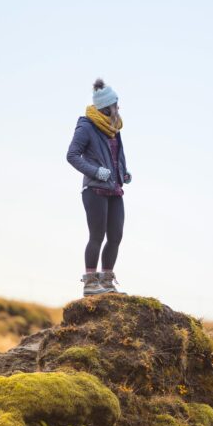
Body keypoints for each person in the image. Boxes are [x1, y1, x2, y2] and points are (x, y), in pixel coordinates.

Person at [66, 78, 132, 296]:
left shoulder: (114, 128)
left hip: (114, 189)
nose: (118, 108)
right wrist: (95, 171)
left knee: (116, 236)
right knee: (97, 235)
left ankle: (106, 281)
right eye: (116, 105)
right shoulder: (87, 126)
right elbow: (72, 155)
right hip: (94, 190)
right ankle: (90, 283)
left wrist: (124, 171)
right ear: (107, 107)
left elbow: (116, 155)